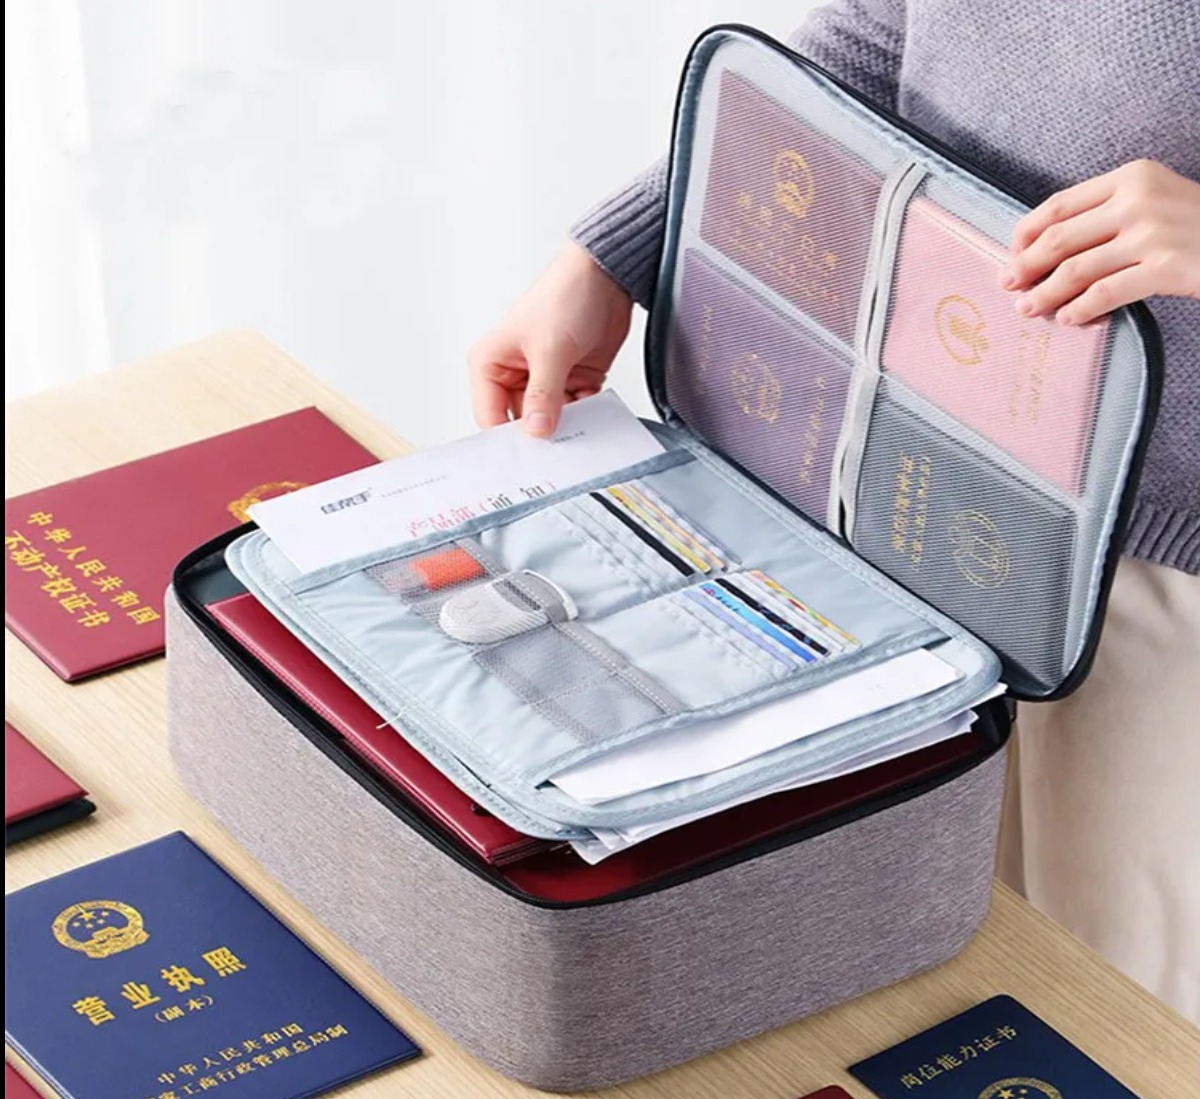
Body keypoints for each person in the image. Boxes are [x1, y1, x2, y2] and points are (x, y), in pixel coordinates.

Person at [467, 3, 1200, 1020]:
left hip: (1161, 571)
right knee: (931, 964)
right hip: (911, 489)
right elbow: (875, 45)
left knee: (1133, 1011)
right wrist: (606, 258)